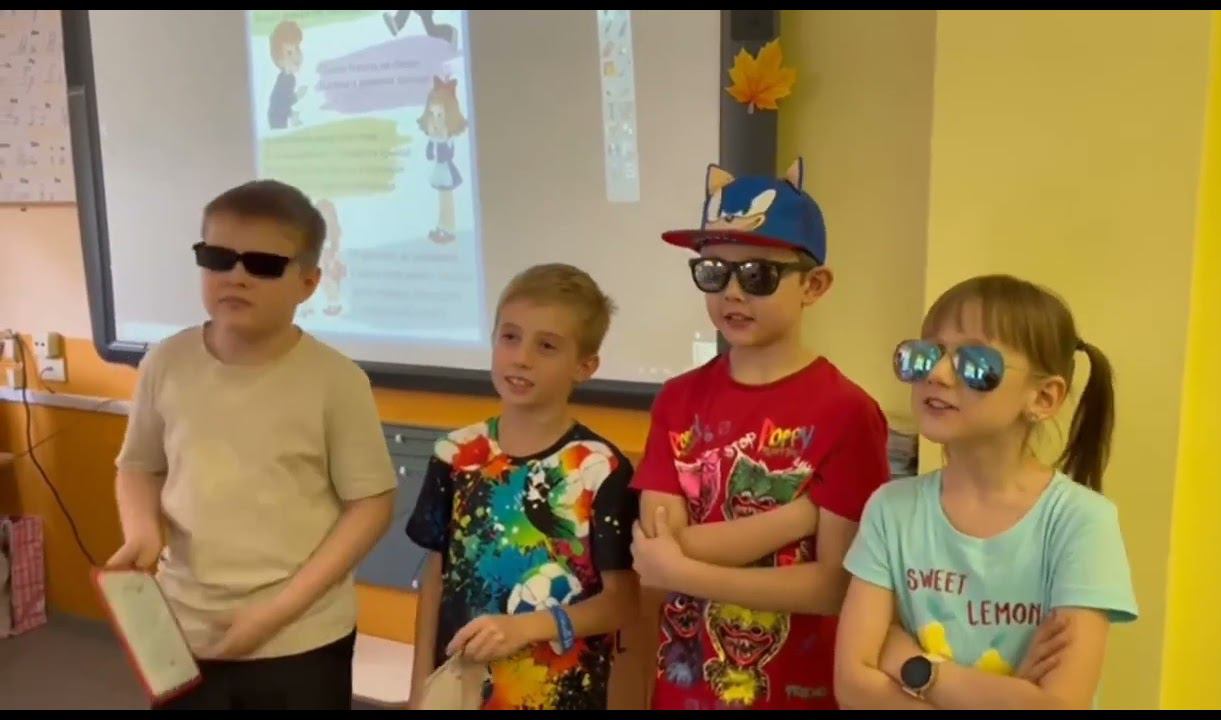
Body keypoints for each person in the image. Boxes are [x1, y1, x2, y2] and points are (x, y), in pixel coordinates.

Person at [108, 179, 397, 709]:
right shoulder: (165, 362)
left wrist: (275, 612)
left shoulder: (337, 381)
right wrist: (142, 530)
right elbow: (139, 466)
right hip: (183, 627)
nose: (236, 276)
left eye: (263, 265)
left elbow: (371, 505)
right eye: (218, 258)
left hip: (299, 636)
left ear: (308, 283)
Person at [628, 159, 892, 710]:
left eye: (757, 275)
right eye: (713, 272)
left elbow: (833, 587)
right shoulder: (677, 400)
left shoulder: (848, 413)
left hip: (796, 695)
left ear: (814, 285)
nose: (732, 293)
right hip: (685, 690)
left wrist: (683, 568)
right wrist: (797, 518)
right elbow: (656, 557)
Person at [834, 274, 1139, 710]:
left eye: (975, 364)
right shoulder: (891, 509)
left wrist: (913, 666)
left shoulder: (1081, 521)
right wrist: (1009, 697)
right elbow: (852, 685)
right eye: (925, 355)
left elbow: (1059, 706)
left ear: (1043, 398)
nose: (937, 375)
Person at [404, 263, 641, 710]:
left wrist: (528, 627)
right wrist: (420, 688)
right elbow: (435, 577)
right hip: (462, 692)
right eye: (510, 337)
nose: (521, 358)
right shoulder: (457, 454)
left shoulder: (600, 468)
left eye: (546, 346)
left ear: (585, 366)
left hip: (560, 696)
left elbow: (622, 602)